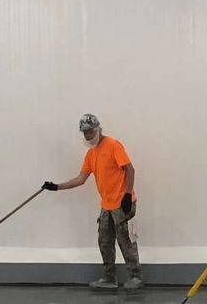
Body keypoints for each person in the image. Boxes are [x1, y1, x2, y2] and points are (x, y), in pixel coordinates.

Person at [44, 113, 141, 291]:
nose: (88, 135)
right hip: (106, 205)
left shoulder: (113, 145)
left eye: (91, 131)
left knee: (125, 240)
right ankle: (109, 278)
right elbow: (81, 179)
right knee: (104, 241)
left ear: (99, 129)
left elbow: (130, 169)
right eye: (85, 133)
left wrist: (127, 195)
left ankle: (135, 277)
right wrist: (57, 187)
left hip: (122, 203)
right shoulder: (91, 154)